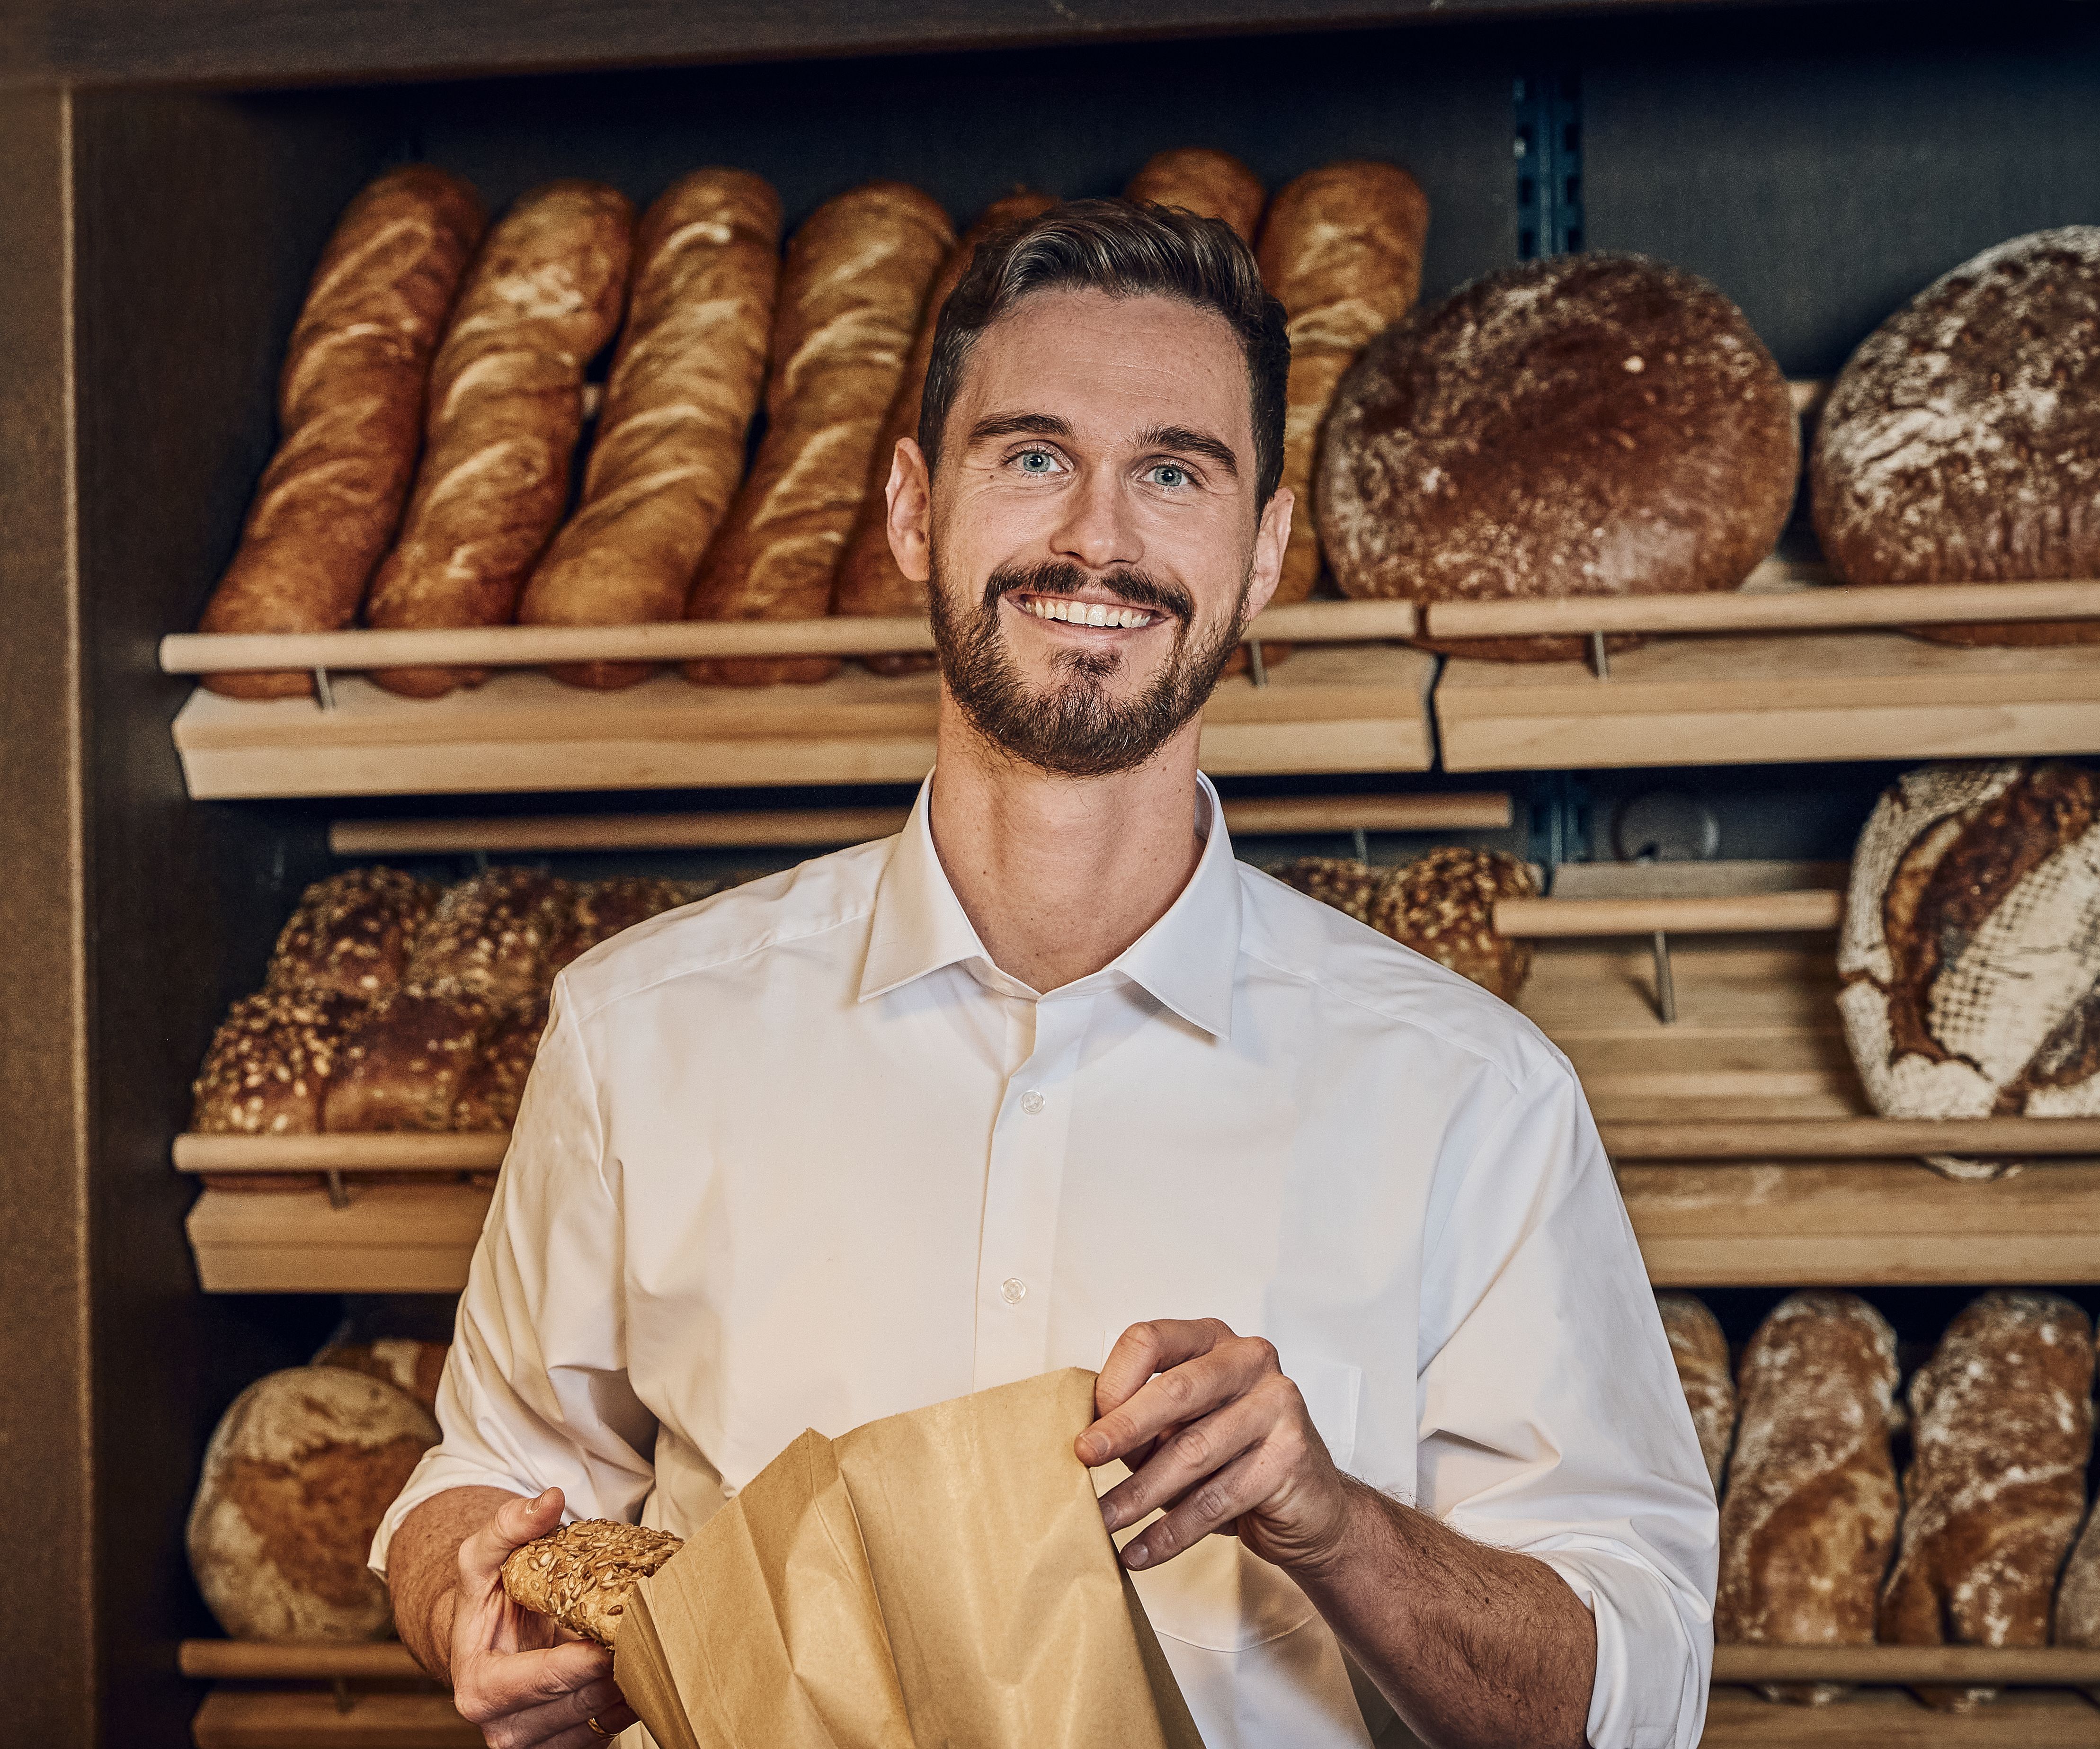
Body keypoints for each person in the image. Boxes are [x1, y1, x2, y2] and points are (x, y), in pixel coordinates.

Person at [374, 199, 1717, 1749]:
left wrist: (1334, 1522)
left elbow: (1634, 1696)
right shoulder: (640, 1033)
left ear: (1265, 552)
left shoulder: (1469, 1096)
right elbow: (484, 1479)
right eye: (1031, 457)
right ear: (911, 510)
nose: (1099, 537)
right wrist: (468, 1605)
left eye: (1174, 472)